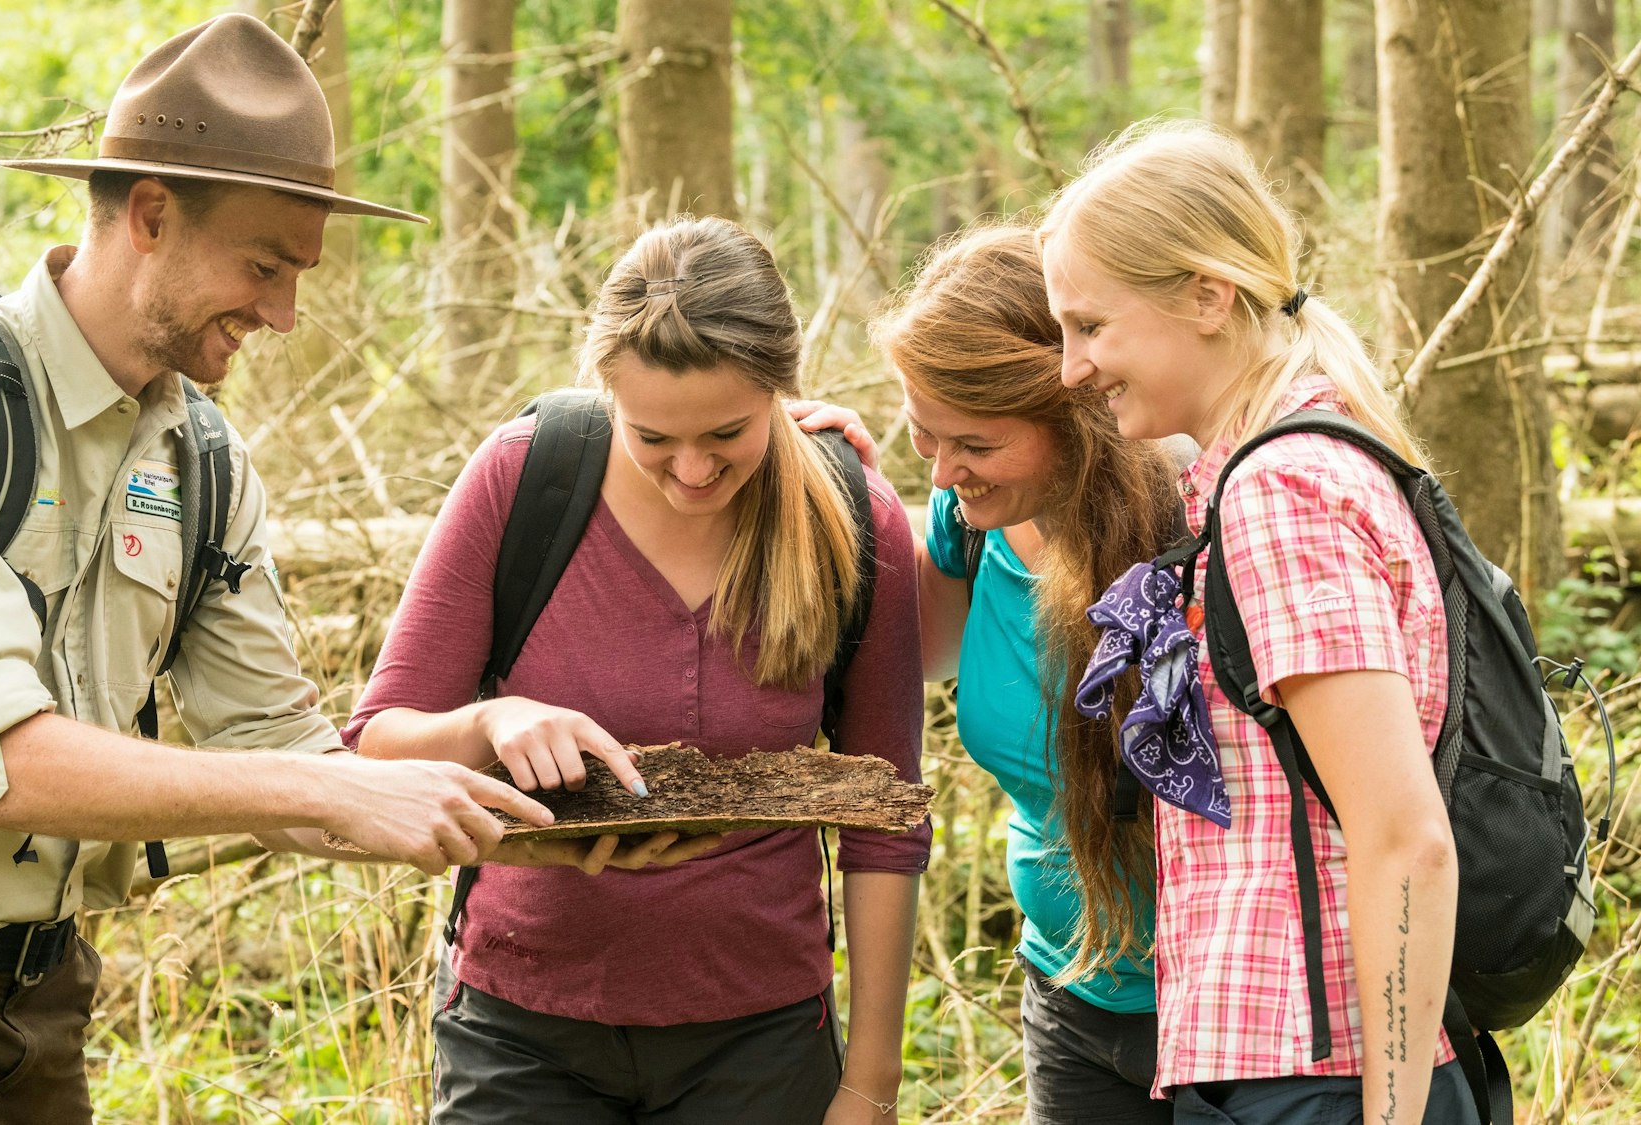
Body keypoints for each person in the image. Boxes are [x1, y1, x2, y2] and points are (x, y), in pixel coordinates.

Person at [0, 15, 553, 1125]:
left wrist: (512, 800)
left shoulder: (205, 465)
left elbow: (277, 754)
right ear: (147, 215)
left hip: (42, 994)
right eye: (265, 265)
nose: (282, 314)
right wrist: (331, 787)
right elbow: (0, 775)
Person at [345, 216, 930, 1125]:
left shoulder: (855, 518)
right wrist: (490, 724)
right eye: (652, 436)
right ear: (605, 391)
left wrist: (869, 1085)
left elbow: (885, 817)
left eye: (728, 433)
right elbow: (374, 748)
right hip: (521, 1034)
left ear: (783, 388)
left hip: (761, 1043)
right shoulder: (523, 478)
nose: (692, 469)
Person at [1039, 120, 1478, 1124]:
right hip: (1280, 1064)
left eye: (1089, 327)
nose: (1071, 367)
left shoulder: (1280, 490)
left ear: (1206, 296)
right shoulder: (1274, 468)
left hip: (1316, 1076)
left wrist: (1388, 1114)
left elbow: (1403, 837)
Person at [801, 223, 1187, 1122]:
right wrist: (848, 497)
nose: (940, 470)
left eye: (970, 441)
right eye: (922, 436)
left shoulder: (1196, 526)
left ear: (1076, 413)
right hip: (1068, 998)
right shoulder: (968, 520)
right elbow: (918, 654)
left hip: (1226, 1010)